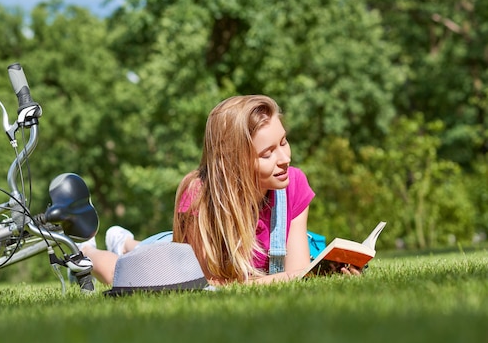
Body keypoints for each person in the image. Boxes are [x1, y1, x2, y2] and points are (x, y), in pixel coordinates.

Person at [80, 94, 361, 285]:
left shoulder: (294, 184)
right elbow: (208, 286)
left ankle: (125, 241)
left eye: (284, 142)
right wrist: (287, 278)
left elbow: (297, 274)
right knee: (123, 272)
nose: (285, 158)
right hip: (180, 256)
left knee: (137, 249)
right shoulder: (199, 195)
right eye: (267, 153)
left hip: (208, 257)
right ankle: (83, 250)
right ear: (233, 161)